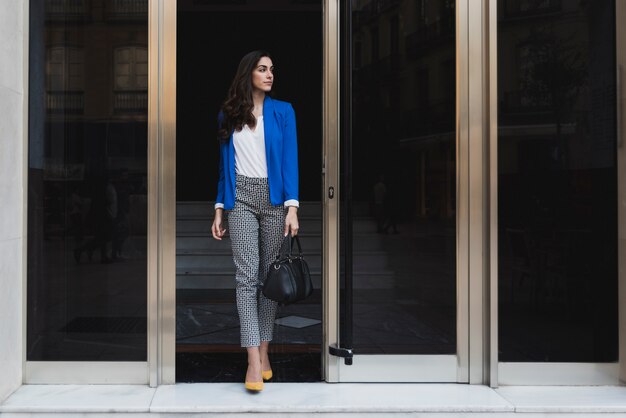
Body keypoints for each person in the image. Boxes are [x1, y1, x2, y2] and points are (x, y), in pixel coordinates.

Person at [211, 50, 300, 392]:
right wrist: (220, 207)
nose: (269, 74)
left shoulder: (283, 112)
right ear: (248, 73)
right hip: (242, 199)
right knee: (246, 277)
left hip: (276, 200)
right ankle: (252, 359)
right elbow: (223, 168)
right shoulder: (228, 114)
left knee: (269, 279)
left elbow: (291, 160)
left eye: (272, 70)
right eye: (262, 69)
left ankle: (264, 351)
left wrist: (292, 207)